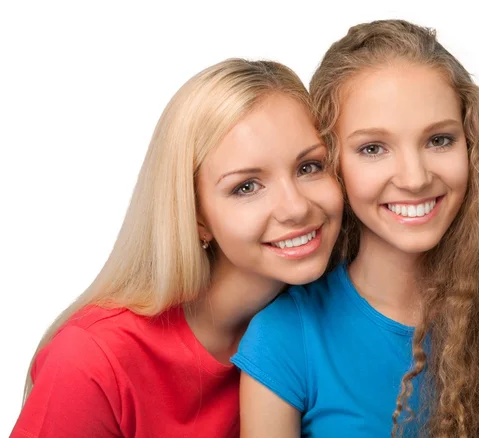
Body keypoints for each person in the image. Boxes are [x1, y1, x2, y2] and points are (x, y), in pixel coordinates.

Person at [233, 20, 479, 437]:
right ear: (333, 163)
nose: (415, 177)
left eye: (438, 140)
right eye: (373, 148)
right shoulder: (285, 337)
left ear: (472, 147)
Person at [11, 58, 343, 438]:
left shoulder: (335, 323)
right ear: (196, 215)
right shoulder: (91, 359)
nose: (297, 207)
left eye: (310, 167)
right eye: (246, 187)